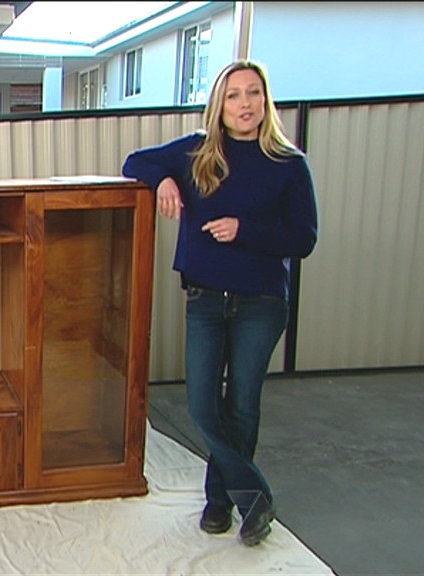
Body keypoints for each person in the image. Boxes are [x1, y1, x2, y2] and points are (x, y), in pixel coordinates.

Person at [122, 60, 318, 546]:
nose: (244, 104)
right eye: (234, 95)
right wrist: (164, 182)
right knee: (202, 405)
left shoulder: (289, 164)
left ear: (265, 101)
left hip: (261, 303)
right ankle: (255, 495)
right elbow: (135, 162)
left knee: (241, 406)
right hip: (206, 301)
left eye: (253, 93)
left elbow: (304, 238)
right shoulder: (197, 152)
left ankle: (222, 502)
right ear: (219, 105)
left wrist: (244, 230)